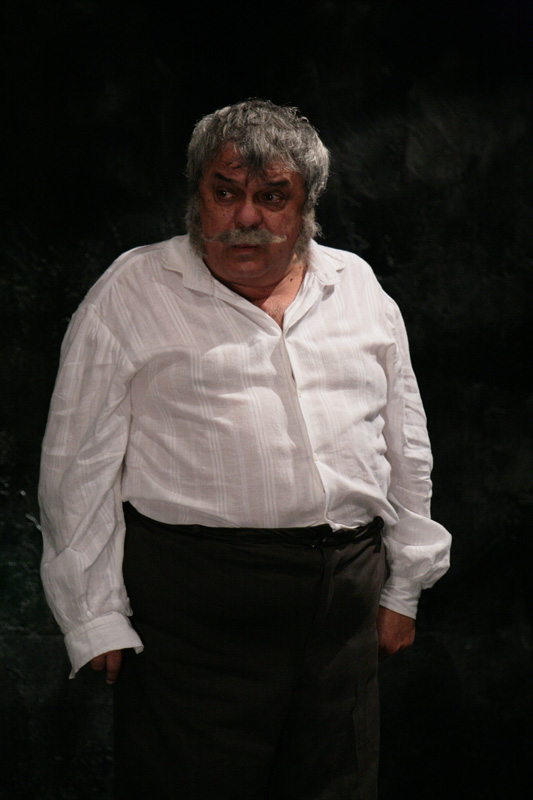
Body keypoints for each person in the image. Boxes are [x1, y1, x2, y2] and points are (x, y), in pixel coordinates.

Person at [39, 99, 451, 799]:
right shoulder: (133, 290)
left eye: (272, 197)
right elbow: (77, 465)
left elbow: (404, 442)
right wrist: (92, 615)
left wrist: (404, 585)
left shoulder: (355, 286)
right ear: (197, 197)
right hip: (195, 613)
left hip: (342, 610)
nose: (246, 217)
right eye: (225, 193)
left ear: (306, 206)